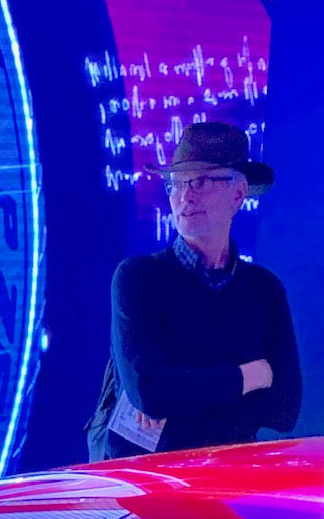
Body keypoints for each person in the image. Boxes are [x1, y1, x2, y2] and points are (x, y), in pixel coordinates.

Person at [87, 121, 300, 460]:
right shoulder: (139, 277)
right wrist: (251, 374)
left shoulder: (264, 290)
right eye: (176, 183)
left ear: (238, 193)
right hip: (141, 474)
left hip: (224, 473)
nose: (185, 196)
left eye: (201, 181)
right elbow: (150, 393)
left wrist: (181, 389)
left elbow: (285, 409)